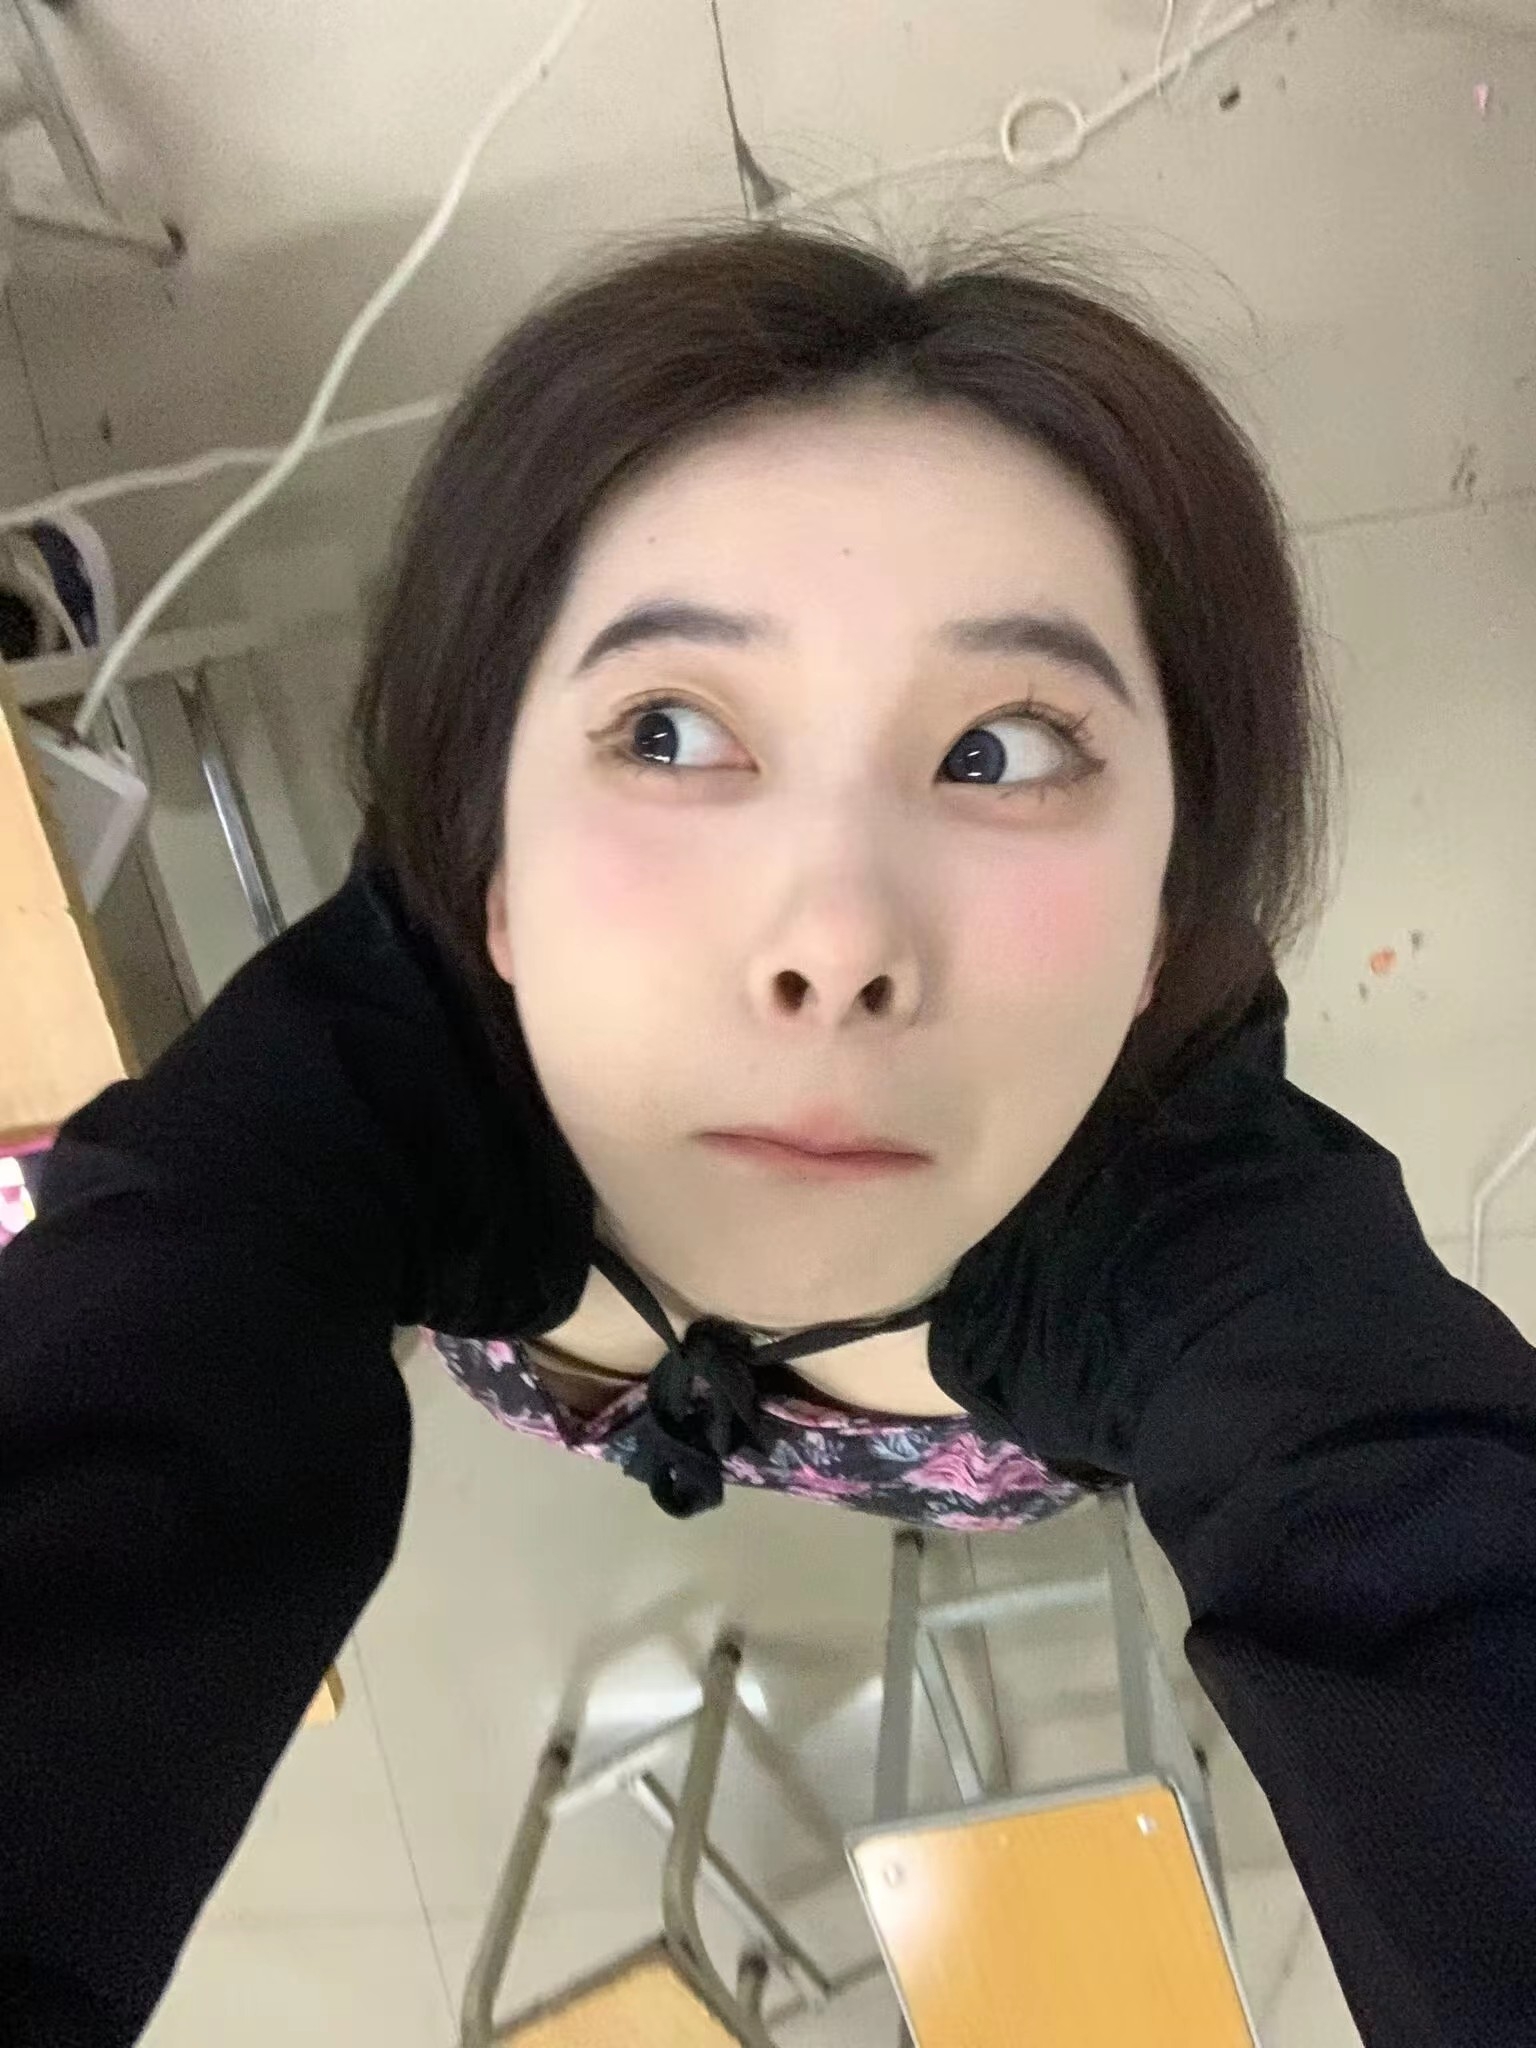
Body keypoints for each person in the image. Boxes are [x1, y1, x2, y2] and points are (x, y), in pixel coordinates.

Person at [0, 221, 1532, 2048]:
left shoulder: (1222, 1236)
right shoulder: (349, 1087)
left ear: (1162, 921)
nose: (834, 939)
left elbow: (1433, 1546)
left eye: (1001, 750)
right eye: (667, 730)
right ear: (492, 861)